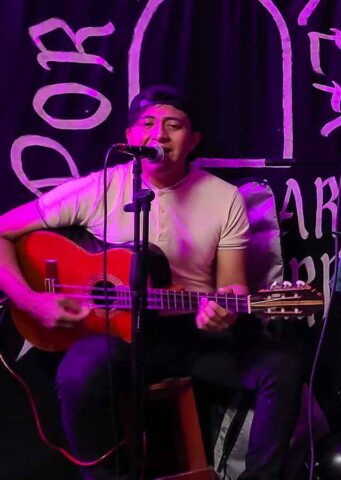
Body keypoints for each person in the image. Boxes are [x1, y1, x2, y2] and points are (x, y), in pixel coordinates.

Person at [0, 86, 302, 480]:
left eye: (173, 125)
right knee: (78, 375)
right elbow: (3, 231)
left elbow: (233, 288)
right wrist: (31, 300)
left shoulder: (224, 198)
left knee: (282, 368)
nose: (158, 134)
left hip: (190, 334)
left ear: (192, 141)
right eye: (147, 124)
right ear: (129, 137)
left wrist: (224, 312)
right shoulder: (99, 188)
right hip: (116, 335)